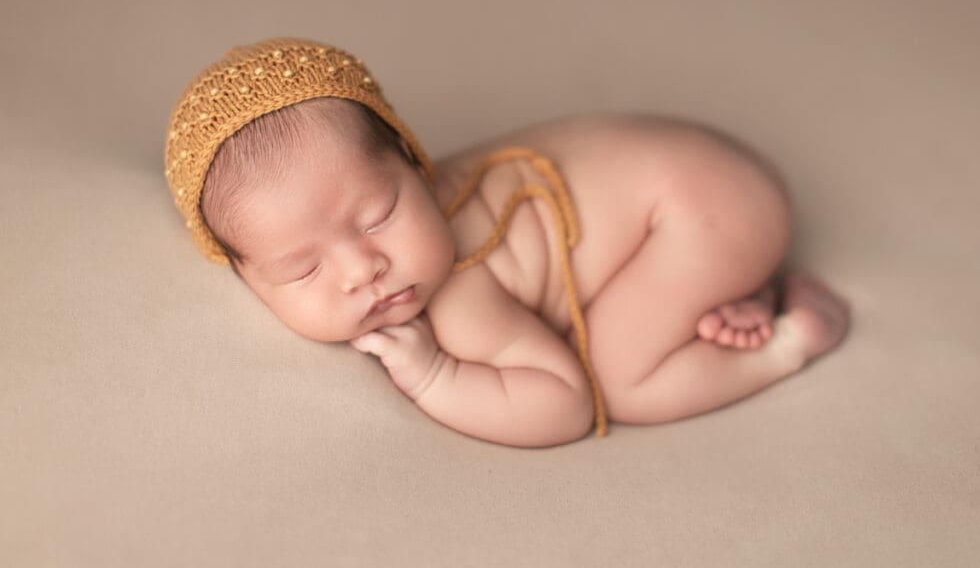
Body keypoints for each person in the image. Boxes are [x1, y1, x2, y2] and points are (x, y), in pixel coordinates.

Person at [165, 37, 850, 447]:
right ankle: (735, 289)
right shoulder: (383, 205)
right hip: (696, 171)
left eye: (377, 216)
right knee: (634, 297)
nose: (362, 268)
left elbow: (566, 403)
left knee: (624, 378)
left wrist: (435, 373)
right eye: (303, 267)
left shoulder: (458, 288)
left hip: (710, 207)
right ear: (245, 276)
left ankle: (796, 335)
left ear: (414, 160)